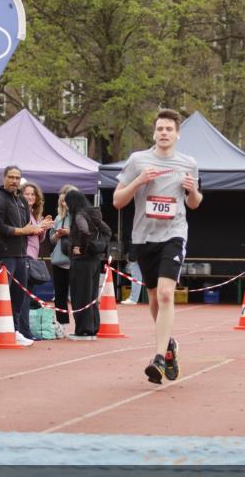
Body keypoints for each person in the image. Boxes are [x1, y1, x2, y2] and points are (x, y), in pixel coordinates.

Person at [113, 108, 202, 383]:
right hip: (144, 237)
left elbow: (194, 203)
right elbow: (117, 200)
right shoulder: (138, 160)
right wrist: (139, 181)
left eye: (169, 129)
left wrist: (193, 190)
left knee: (165, 294)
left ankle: (160, 357)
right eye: (160, 129)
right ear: (154, 132)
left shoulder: (188, 163)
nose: (164, 133)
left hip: (174, 234)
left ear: (177, 134)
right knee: (153, 298)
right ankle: (170, 346)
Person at [0, 165, 43, 346]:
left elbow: (27, 226)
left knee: (19, 295)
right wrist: (22, 231)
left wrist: (38, 228)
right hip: (4, 254)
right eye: (11, 177)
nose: (14, 181)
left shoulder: (22, 201)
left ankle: (16, 330)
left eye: (17, 178)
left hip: (21, 255)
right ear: (3, 178)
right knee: (2, 293)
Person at [65, 190, 110, 340]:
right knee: (91, 295)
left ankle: (83, 329)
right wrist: (99, 246)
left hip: (82, 261)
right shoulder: (92, 214)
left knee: (81, 295)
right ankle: (93, 326)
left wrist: (83, 247)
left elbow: (83, 231)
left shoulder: (79, 215)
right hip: (94, 261)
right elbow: (107, 231)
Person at [22, 181, 54, 338]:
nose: (30, 196)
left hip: (32, 256)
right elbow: (26, 232)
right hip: (25, 256)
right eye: (27, 193)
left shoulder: (34, 214)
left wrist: (43, 227)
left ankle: (25, 330)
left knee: (28, 295)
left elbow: (39, 238)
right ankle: (24, 331)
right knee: (25, 296)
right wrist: (40, 226)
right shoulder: (22, 212)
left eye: (32, 194)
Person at [49, 184, 78, 338]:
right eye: (61, 202)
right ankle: (62, 326)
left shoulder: (78, 215)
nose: (64, 204)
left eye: (66, 201)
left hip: (74, 261)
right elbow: (52, 240)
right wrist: (58, 235)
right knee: (59, 295)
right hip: (59, 261)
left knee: (77, 295)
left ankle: (80, 325)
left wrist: (70, 232)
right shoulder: (58, 218)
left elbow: (86, 234)